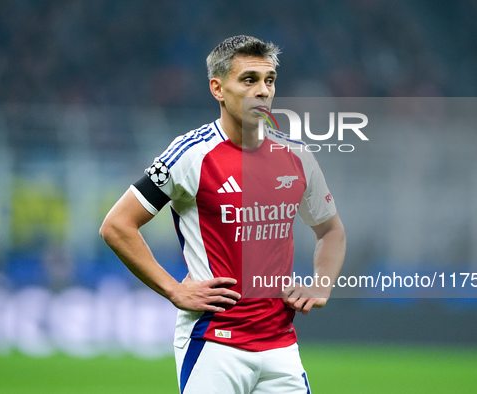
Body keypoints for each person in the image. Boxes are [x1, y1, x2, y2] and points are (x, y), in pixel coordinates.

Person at [100, 35, 346, 394]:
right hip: (214, 343)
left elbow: (330, 230)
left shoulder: (297, 156)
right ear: (217, 88)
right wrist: (173, 290)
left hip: (281, 347)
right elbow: (117, 225)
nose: (263, 91)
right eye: (249, 80)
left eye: (269, 80)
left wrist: (321, 283)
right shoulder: (190, 154)